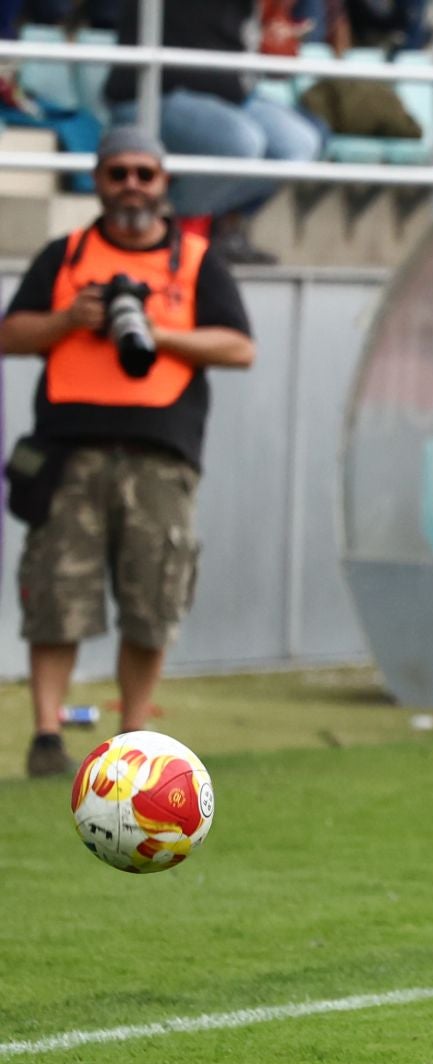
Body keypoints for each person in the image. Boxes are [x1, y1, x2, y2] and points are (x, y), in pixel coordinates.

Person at [1, 127, 255, 779]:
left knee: (153, 599)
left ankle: (134, 737)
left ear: (165, 183)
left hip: (160, 455)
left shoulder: (196, 263)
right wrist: (68, 322)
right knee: (57, 597)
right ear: (98, 181)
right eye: (119, 173)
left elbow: (239, 347)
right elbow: (10, 334)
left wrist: (159, 332)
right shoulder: (64, 257)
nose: (133, 186)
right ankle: (47, 737)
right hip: (68, 452)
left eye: (145, 173)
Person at [101, 0, 325, 264]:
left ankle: (219, 225)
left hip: (231, 96)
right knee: (240, 141)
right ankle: (177, 228)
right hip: (150, 91)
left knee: (298, 144)